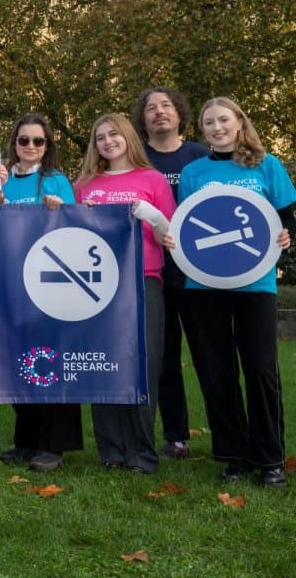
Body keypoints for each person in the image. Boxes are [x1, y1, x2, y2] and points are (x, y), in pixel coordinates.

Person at [174, 97, 296, 488]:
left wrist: (287, 235)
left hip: (255, 283)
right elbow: (185, 226)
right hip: (204, 284)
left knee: (261, 368)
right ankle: (233, 456)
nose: (216, 127)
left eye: (223, 119)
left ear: (240, 122)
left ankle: (269, 458)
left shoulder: (266, 164)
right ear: (203, 130)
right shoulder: (193, 172)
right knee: (216, 370)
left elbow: (286, 218)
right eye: (209, 122)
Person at [75, 113, 176, 474]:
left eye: (113, 134)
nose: (107, 142)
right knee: (102, 363)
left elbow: (172, 234)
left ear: (128, 137)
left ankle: (142, 453)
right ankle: (112, 451)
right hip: (97, 284)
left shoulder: (152, 179)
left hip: (143, 278)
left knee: (142, 365)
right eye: (100, 137)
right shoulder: (86, 183)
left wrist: (151, 216)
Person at [0, 113, 82, 473]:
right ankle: (26, 440)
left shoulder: (57, 180)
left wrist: (61, 209)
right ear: (14, 143)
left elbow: (77, 225)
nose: (30, 147)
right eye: (23, 140)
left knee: (50, 362)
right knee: (19, 363)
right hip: (8, 281)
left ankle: (54, 445)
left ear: (47, 146)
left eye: (38, 141)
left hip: (49, 282)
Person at [132, 87, 210, 460]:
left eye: (166, 106)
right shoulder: (138, 159)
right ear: (143, 119)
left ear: (180, 113)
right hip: (153, 271)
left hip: (199, 271)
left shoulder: (199, 155)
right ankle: (176, 436)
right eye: (151, 108)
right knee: (163, 357)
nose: (159, 112)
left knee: (210, 355)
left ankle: (226, 436)